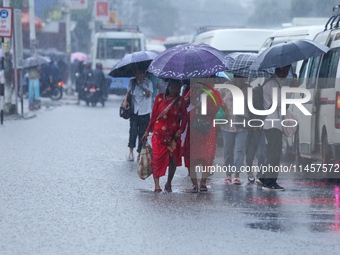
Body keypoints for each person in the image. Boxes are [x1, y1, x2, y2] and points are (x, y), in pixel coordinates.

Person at [141, 79, 187, 193]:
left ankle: (169, 183)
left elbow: (185, 119)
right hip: (158, 135)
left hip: (173, 137)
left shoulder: (180, 101)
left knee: (173, 160)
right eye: (173, 88)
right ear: (168, 87)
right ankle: (157, 186)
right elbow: (154, 117)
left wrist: (180, 131)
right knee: (156, 159)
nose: (175, 90)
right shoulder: (159, 97)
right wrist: (147, 132)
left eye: (177, 88)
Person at [258, 65, 298, 191]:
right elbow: (283, 105)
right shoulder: (273, 84)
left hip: (270, 123)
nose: (286, 73)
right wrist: (292, 90)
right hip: (273, 124)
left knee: (272, 152)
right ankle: (270, 182)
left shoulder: (272, 82)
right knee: (274, 154)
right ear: (278, 69)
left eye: (287, 70)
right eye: (284, 70)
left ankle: (263, 177)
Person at [189, 80, 220, 192]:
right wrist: (189, 99)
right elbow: (185, 102)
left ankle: (203, 182)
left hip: (208, 128)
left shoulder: (215, 93)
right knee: (192, 155)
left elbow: (213, 110)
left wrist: (197, 104)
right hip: (193, 126)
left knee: (208, 155)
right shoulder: (194, 88)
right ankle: (194, 184)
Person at [220, 74, 249, 185]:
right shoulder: (227, 86)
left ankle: (236, 175)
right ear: (235, 76)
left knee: (239, 150)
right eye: (240, 77)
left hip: (243, 124)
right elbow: (216, 96)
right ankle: (228, 175)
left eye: (244, 77)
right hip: (227, 123)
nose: (242, 79)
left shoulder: (248, 88)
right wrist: (221, 105)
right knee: (228, 150)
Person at [123, 69, 153, 162]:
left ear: (143, 73)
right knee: (133, 132)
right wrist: (125, 101)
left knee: (143, 134)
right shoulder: (132, 82)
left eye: (139, 73)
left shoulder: (148, 82)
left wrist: (142, 84)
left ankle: (140, 153)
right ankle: (131, 153)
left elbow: (148, 95)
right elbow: (128, 92)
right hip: (135, 111)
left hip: (145, 111)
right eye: (136, 73)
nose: (137, 75)